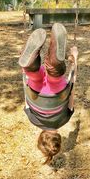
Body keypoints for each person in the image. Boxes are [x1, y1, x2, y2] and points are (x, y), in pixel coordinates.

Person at [19, 23, 78, 164]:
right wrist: (24, 73)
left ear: (60, 138)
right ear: (40, 136)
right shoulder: (32, 119)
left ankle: (55, 64)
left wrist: (75, 59)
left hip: (57, 92)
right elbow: (26, 95)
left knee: (55, 76)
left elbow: (72, 87)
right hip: (36, 91)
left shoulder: (65, 119)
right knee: (34, 75)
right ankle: (30, 65)